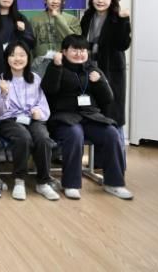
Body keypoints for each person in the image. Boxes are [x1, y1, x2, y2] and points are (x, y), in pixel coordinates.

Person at [41, 35, 133, 200]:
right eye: (74, 50)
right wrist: (56, 67)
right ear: (64, 51)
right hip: (64, 117)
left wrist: (99, 82)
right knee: (75, 134)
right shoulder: (56, 66)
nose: (79, 53)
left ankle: (114, 184)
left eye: (83, 50)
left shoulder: (93, 69)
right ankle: (71, 184)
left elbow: (108, 99)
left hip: (90, 117)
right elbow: (48, 91)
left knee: (111, 133)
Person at [0, 41, 59, 201]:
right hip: (9, 120)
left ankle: (43, 182)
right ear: (7, 58)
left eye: (22, 55)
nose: (17, 59)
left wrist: (38, 112)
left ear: (28, 58)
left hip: (32, 118)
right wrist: (4, 94)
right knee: (23, 137)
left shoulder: (35, 79)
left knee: (43, 138)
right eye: (13, 55)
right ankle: (19, 180)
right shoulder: (0, 81)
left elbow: (42, 104)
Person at [80, 0, 131, 141]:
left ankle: (117, 153)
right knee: (94, 111)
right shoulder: (88, 16)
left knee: (113, 113)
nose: (100, 1)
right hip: (90, 68)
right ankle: (99, 154)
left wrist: (124, 21)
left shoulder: (118, 17)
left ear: (112, 0)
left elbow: (123, 45)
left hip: (111, 70)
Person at [31, 0, 81, 77]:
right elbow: (30, 46)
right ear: (45, 0)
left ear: (64, 1)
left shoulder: (72, 20)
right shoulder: (35, 20)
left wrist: (58, 17)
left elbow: (76, 42)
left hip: (66, 63)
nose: (55, 1)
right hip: (40, 65)